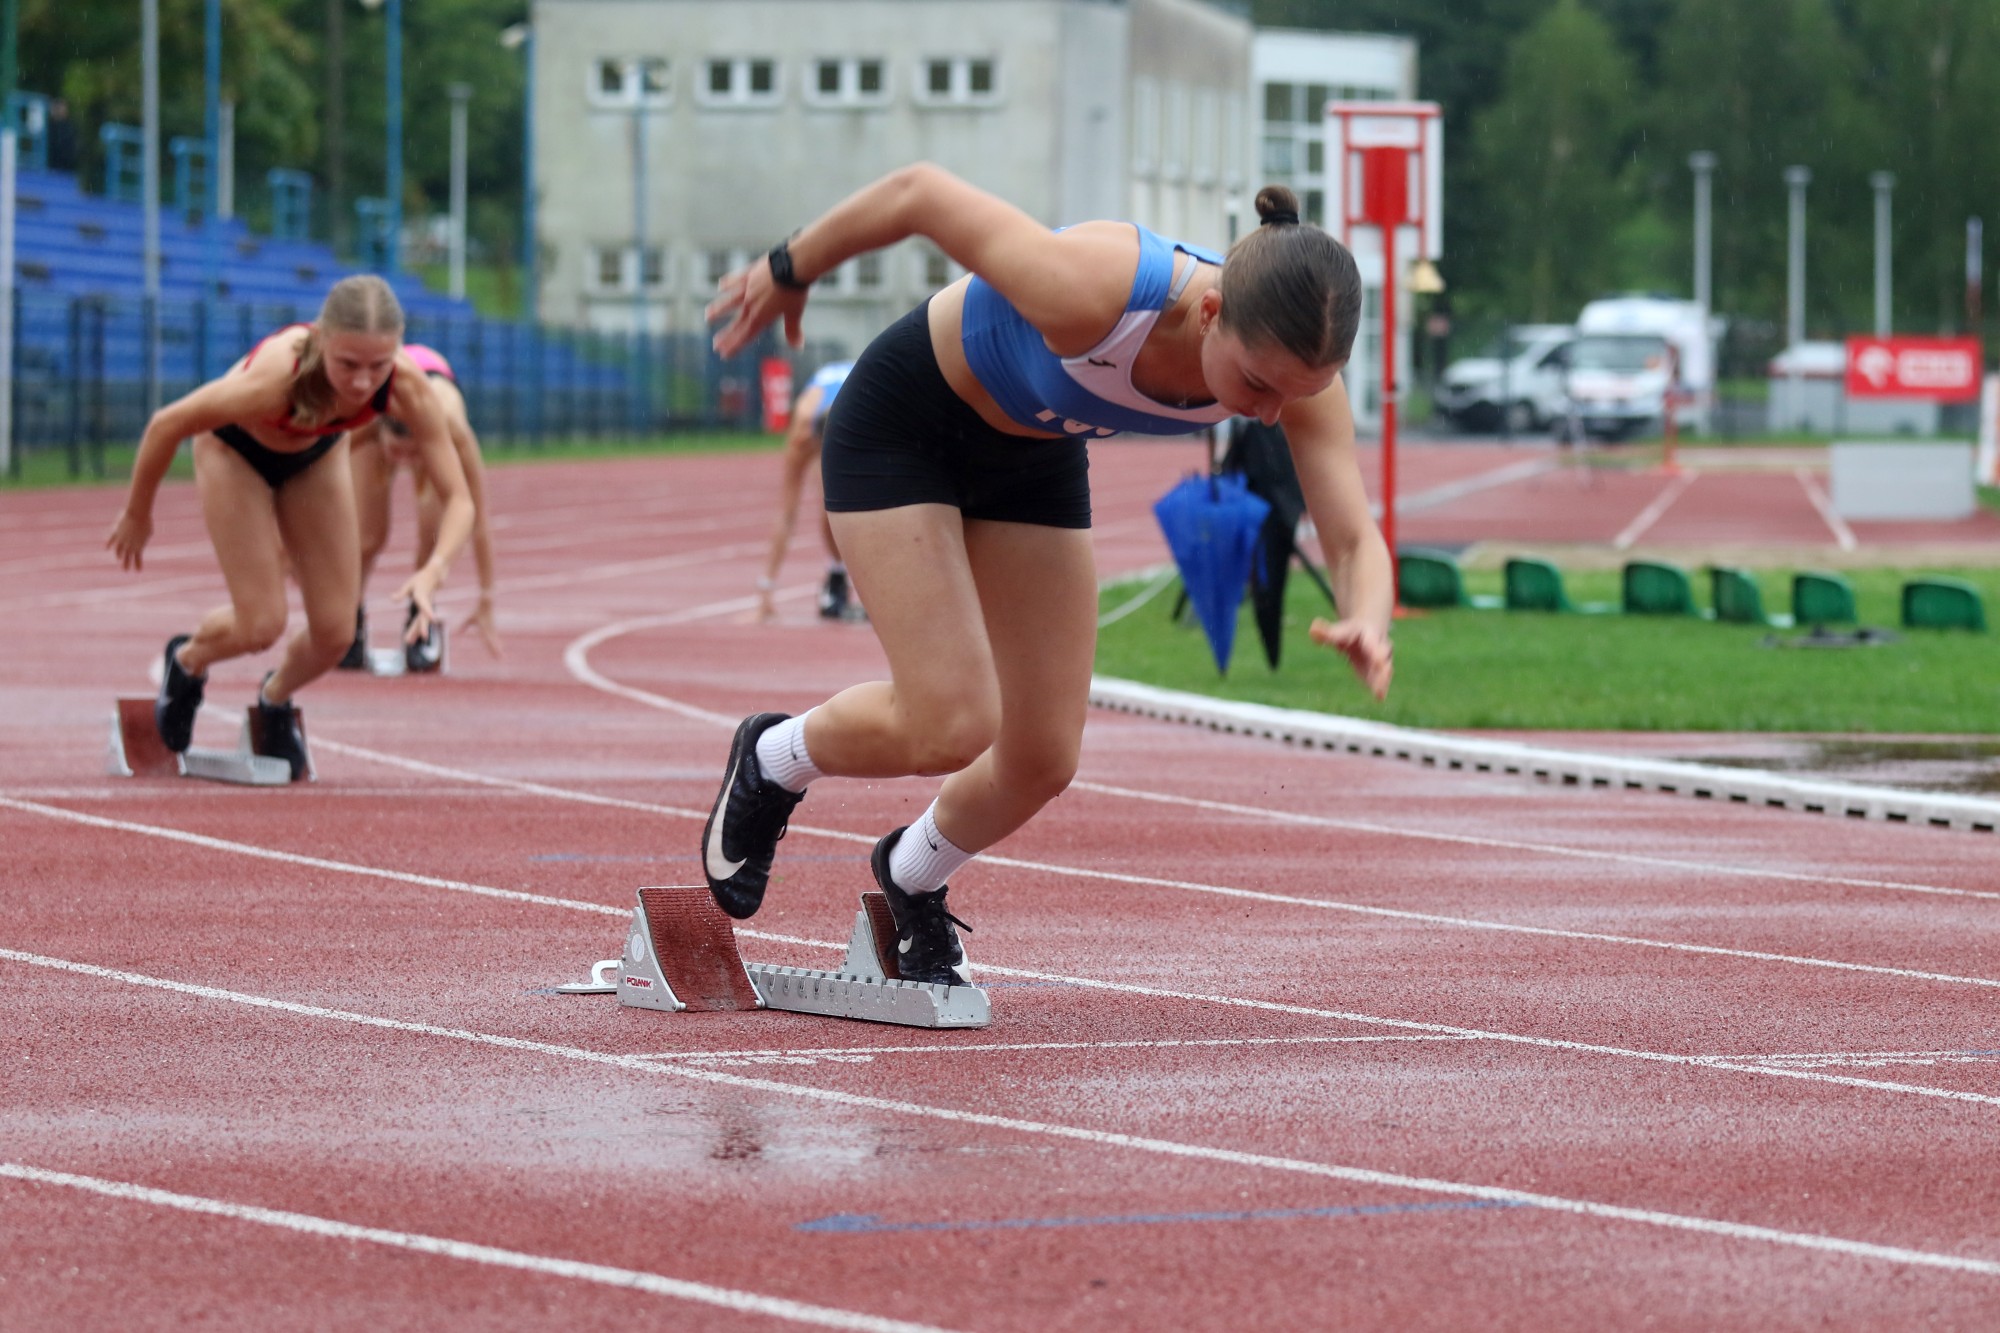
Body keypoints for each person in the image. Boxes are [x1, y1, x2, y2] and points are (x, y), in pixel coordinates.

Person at [698, 164, 1394, 986]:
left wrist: (1367, 617)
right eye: (1257, 385)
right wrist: (788, 269)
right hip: (905, 426)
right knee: (952, 718)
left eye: (1297, 395)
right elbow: (919, 193)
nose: (1272, 414)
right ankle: (774, 757)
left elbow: (1352, 540)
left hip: (1031, 452)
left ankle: (912, 873)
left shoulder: (1296, 372)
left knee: (1042, 757)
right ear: (1209, 311)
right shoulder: (1095, 292)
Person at [106, 275, 474, 778]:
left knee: (336, 633)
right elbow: (167, 423)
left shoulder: (407, 384)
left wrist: (434, 570)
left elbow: (459, 500)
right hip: (235, 451)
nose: (364, 382)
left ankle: (274, 699)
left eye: (378, 365)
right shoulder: (278, 377)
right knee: (261, 623)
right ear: (321, 341)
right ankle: (188, 662)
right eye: (348, 365)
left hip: (315, 456)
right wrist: (137, 512)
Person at [340, 342, 500, 670]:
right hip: (387, 399)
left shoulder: (452, 429)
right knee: (368, 537)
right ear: (380, 432)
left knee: (433, 534)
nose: (403, 462)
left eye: (412, 454)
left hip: (433, 393)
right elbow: (315, 466)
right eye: (395, 452)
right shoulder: (367, 423)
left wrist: (486, 597)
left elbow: (477, 516)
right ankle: (350, 622)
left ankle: (420, 620)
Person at [754, 359, 857, 623]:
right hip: (833, 416)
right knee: (830, 502)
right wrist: (766, 590)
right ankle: (837, 573)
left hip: (864, 406)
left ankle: (844, 575)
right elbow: (786, 515)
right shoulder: (800, 437)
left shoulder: (867, 419)